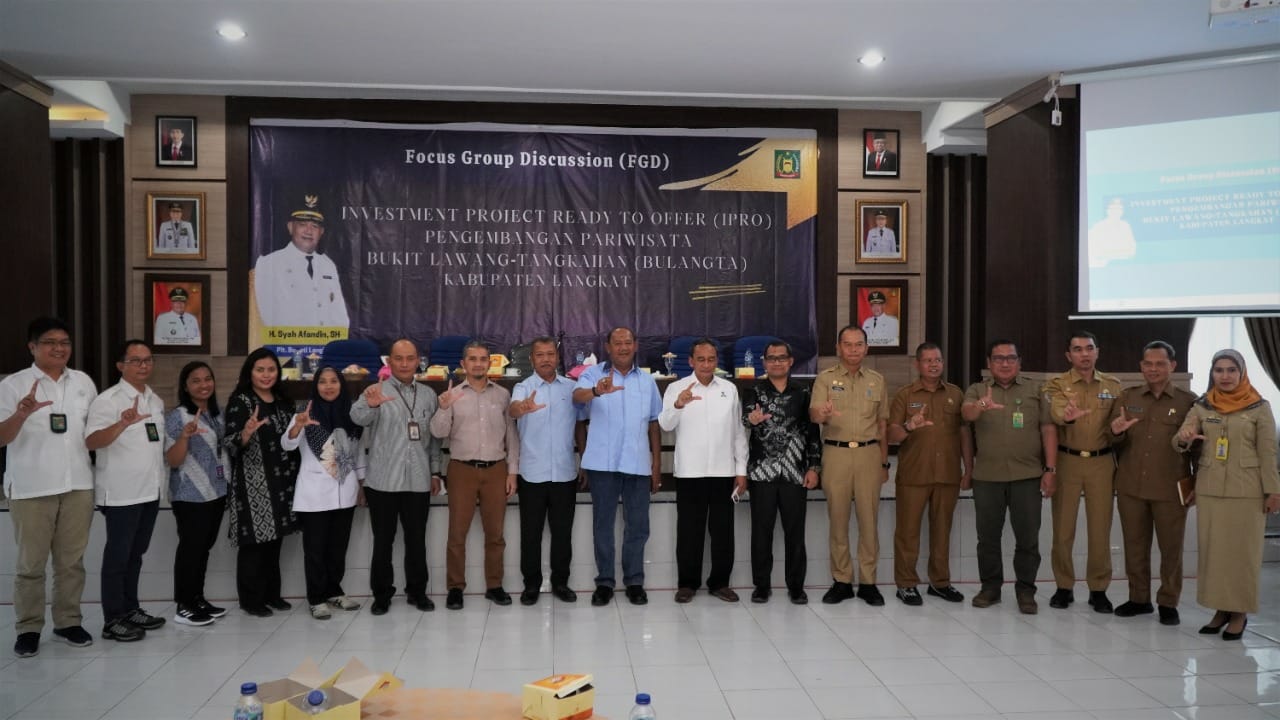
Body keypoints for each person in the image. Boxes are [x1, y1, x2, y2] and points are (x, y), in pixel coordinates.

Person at [0, 318, 97, 658]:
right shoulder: (14, 386)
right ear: (32, 347)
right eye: (50, 342)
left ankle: (68, 621)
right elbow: (2, 437)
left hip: (78, 485)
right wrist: (21, 415)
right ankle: (28, 628)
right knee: (31, 565)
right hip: (32, 488)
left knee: (71, 562)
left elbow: (93, 432)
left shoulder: (83, 382)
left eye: (64, 342)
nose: (59, 348)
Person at [1174, 349, 1280, 641]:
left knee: (1242, 556)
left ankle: (1240, 613)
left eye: (1231, 370)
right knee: (1215, 554)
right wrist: (1184, 438)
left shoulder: (1259, 407)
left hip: (1247, 492)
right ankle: (1220, 610)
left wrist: (1274, 491)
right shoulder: (1203, 406)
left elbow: (1268, 454)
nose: (1225, 376)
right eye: (1219, 370)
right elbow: (1180, 438)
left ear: (1242, 372)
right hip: (1209, 490)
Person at [962, 339, 1057, 614]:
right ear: (990, 363)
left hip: (1027, 476)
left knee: (1028, 538)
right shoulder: (978, 389)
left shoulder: (1035, 390)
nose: (1005, 363)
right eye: (999, 358)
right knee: (987, 538)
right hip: (987, 478)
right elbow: (966, 414)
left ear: (1019, 362)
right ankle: (990, 588)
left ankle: (1026, 591)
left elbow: (1048, 430)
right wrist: (981, 404)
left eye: (1010, 358)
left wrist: (1050, 470)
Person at [350, 338, 444, 615]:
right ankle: (382, 594)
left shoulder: (428, 395)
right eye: (398, 358)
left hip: (418, 479)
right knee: (383, 541)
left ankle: (417, 592)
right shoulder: (374, 390)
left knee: (416, 541)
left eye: (410, 358)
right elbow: (357, 417)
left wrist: (436, 471)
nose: (404, 364)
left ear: (418, 361)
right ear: (388, 361)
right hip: (383, 481)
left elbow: (434, 441)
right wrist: (373, 406)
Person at [1107, 341, 1197, 626]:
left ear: (1172, 366)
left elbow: (1198, 448)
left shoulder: (1188, 402)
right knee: (1134, 545)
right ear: (1141, 367)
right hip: (1131, 486)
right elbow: (1111, 440)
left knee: (1171, 549)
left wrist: (1195, 485)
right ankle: (1139, 598)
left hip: (1171, 488)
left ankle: (1168, 602)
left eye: (1160, 364)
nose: (1153, 369)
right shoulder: (1127, 397)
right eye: (1148, 364)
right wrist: (1116, 431)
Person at [573, 327, 663, 607]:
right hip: (602, 464)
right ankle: (605, 583)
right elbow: (577, 398)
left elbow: (653, 424)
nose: (623, 347)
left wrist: (656, 465)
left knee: (637, 526)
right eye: (617, 343)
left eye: (628, 342)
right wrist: (597, 391)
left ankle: (635, 581)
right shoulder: (592, 375)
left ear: (635, 346)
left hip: (637, 463)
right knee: (603, 526)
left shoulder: (646, 382)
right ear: (608, 347)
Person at [85, 339, 167, 642]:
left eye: (147, 360)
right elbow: (91, 442)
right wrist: (121, 423)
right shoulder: (108, 400)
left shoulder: (154, 400)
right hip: (121, 493)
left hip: (150, 490)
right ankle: (113, 619)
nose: (143, 365)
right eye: (136, 360)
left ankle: (131, 609)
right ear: (121, 365)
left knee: (136, 554)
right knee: (118, 556)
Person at [430, 341, 520, 610]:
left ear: (490, 363)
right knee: (457, 533)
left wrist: (512, 471)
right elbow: (437, 432)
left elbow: (511, 437)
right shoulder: (452, 395)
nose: (478, 363)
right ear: (463, 364)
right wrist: (444, 408)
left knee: (495, 534)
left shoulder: (503, 395)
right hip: (461, 470)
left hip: (496, 470)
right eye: (473, 359)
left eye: (484, 359)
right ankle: (455, 587)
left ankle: (495, 585)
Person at [660, 338, 748, 603]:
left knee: (722, 531)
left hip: (723, 472)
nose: (707, 364)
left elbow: (738, 433)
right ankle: (687, 584)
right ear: (691, 361)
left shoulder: (729, 389)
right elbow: (665, 425)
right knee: (689, 531)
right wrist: (679, 404)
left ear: (716, 361)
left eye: (711, 359)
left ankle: (720, 583)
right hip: (690, 472)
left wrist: (741, 470)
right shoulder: (676, 388)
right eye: (701, 359)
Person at [887, 343, 973, 606]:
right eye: (928, 360)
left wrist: (968, 469)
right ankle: (906, 584)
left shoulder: (956, 395)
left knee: (942, 531)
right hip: (914, 475)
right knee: (908, 533)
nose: (934, 365)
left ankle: (940, 583)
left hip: (947, 474)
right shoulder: (904, 395)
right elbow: (892, 435)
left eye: (938, 360)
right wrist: (909, 425)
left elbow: (964, 434)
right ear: (917, 364)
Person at [1043, 331, 1123, 613]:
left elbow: (1117, 423)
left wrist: (1117, 429)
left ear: (1097, 352)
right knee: (1063, 529)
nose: (1084, 354)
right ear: (1068, 355)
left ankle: (1098, 589)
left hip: (1101, 463)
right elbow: (1055, 411)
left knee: (1100, 529)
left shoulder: (1113, 386)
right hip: (1068, 461)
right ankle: (1064, 586)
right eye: (1077, 349)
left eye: (1089, 348)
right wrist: (1066, 414)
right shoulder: (1057, 385)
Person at [809, 326, 889, 606]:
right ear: (838, 347)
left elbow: (882, 423)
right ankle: (841, 580)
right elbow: (814, 413)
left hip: (868, 454)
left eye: (859, 344)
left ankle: (868, 582)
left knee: (869, 522)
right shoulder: (825, 379)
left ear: (866, 348)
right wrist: (823, 411)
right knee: (838, 521)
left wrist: (883, 461)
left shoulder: (877, 380)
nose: (853, 349)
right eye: (848, 344)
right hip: (836, 454)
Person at [740, 340, 821, 604]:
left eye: (781, 357)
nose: (776, 362)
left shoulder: (803, 392)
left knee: (795, 532)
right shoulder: (753, 390)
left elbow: (812, 433)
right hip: (762, 474)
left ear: (790, 361)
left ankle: (796, 586)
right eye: (771, 358)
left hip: (794, 474)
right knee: (761, 532)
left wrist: (813, 467)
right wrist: (751, 420)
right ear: (764, 363)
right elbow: (745, 417)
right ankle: (761, 585)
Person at [283, 367, 365, 619]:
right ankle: (316, 598)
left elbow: (359, 451)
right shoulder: (305, 414)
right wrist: (297, 427)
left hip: (346, 490)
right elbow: (287, 443)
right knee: (315, 549)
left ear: (341, 385)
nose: (328, 386)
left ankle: (334, 592)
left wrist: (361, 484)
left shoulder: (352, 416)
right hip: (315, 494)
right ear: (315, 386)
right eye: (322, 382)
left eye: (333, 381)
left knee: (338, 548)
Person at [223, 348, 300, 617]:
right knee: (254, 544)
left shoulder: (282, 401)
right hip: (253, 482)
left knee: (274, 542)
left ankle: (272, 594)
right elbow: (230, 442)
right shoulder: (241, 402)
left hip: (281, 482)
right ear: (250, 372)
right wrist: (245, 433)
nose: (266, 375)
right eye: (260, 370)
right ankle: (251, 599)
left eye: (271, 370)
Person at [509, 336, 583, 605]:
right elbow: (514, 410)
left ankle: (561, 583)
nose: (546, 359)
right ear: (531, 359)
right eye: (539, 355)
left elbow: (581, 426)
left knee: (563, 534)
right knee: (531, 534)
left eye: (550, 354)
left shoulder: (571, 388)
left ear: (558, 357)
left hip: (564, 473)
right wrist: (523, 407)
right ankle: (531, 585)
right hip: (532, 473)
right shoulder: (522, 387)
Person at [164, 361, 228, 627]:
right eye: (196, 380)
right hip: (190, 495)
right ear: (186, 386)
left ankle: (198, 598)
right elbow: (173, 460)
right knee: (191, 549)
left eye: (207, 379)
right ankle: (184, 605)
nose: (203, 385)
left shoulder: (217, 413)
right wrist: (184, 437)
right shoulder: (178, 416)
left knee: (204, 548)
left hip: (216, 491)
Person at [253, 194, 349, 328]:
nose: (309, 231)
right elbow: (267, 317)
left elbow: (340, 318)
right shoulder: (269, 264)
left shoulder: (328, 265)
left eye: (315, 226)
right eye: (302, 224)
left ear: (321, 232)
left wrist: (334, 347)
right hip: (287, 345)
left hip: (326, 345)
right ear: (290, 227)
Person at [1088, 198, 1136, 268]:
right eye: (1114, 208)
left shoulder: (1125, 226)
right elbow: (1097, 252)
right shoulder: (1099, 227)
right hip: (1104, 267)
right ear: (1108, 210)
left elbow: (1132, 249)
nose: (1117, 211)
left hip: (1125, 266)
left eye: (1120, 208)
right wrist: (1121, 252)